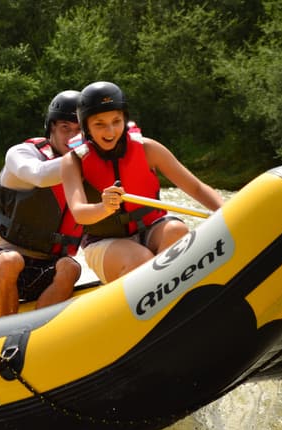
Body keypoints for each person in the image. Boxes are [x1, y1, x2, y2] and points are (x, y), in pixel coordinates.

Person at [60, 81, 224, 283]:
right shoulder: (73, 161)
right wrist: (104, 207)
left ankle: (169, 292)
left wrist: (229, 213)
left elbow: (196, 188)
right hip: (103, 241)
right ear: (86, 126)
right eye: (99, 124)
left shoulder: (148, 148)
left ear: (124, 119)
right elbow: (79, 213)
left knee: (177, 230)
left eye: (116, 121)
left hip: (151, 229)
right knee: (141, 259)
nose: (110, 131)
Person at [0, 90, 84, 317]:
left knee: (71, 267)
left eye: (79, 130)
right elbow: (39, 176)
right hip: (8, 261)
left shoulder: (90, 166)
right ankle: (4, 329)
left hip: (50, 267)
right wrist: (87, 153)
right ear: (50, 128)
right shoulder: (21, 153)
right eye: (65, 128)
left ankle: (38, 330)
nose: (72, 137)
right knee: (11, 260)